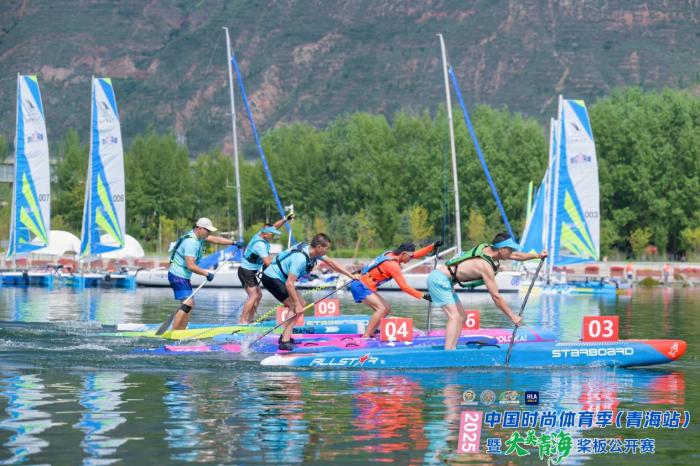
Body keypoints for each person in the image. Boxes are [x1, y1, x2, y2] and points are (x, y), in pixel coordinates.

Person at [427, 232, 547, 350]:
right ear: (502, 249)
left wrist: (537, 256)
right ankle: (448, 352)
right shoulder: (485, 266)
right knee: (455, 317)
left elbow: (516, 256)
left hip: (445, 281)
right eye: (510, 249)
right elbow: (496, 296)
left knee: (462, 317)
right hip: (438, 280)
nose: (512, 252)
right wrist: (512, 316)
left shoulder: (489, 250)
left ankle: (452, 348)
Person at [261, 233, 360, 350]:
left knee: (301, 303)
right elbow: (289, 283)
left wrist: (350, 275)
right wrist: (296, 304)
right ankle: (284, 341)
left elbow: (332, 264)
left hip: (281, 279)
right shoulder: (301, 259)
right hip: (272, 278)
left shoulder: (313, 252)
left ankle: (284, 336)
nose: (327, 251)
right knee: (295, 306)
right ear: (319, 247)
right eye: (327, 248)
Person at [351, 240, 443, 338]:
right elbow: (404, 287)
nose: (411, 258)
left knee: (386, 308)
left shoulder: (390, 254)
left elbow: (416, 254)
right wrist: (423, 295)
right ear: (403, 254)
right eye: (410, 256)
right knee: (381, 309)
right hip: (360, 286)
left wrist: (432, 246)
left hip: (365, 285)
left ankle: (371, 333)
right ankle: (366, 336)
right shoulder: (393, 265)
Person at [168, 218, 237, 330]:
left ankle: (181, 330)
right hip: (177, 275)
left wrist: (233, 243)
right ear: (199, 228)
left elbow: (215, 239)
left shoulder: (198, 236)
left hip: (183, 276)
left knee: (188, 304)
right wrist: (206, 274)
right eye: (207, 230)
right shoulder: (191, 242)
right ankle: (174, 332)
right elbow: (191, 265)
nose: (209, 233)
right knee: (188, 303)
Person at [238, 213, 295, 323]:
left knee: (258, 296)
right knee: (254, 295)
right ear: (265, 234)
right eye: (272, 235)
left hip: (251, 271)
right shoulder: (260, 245)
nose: (273, 237)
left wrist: (285, 219)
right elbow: (268, 263)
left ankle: (250, 320)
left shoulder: (260, 233)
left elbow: (275, 226)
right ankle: (242, 321)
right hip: (246, 271)